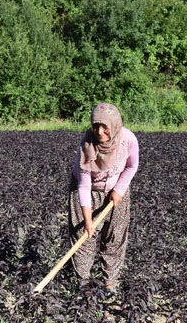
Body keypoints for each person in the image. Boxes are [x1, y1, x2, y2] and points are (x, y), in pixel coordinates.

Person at [69, 103, 139, 297]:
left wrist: (119, 190)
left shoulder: (127, 139)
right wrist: (88, 220)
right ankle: (83, 283)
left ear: (114, 124)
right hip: (86, 190)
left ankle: (110, 283)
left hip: (117, 189)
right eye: (96, 126)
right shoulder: (86, 146)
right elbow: (83, 185)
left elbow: (132, 166)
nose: (100, 131)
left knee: (115, 236)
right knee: (83, 235)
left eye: (105, 126)